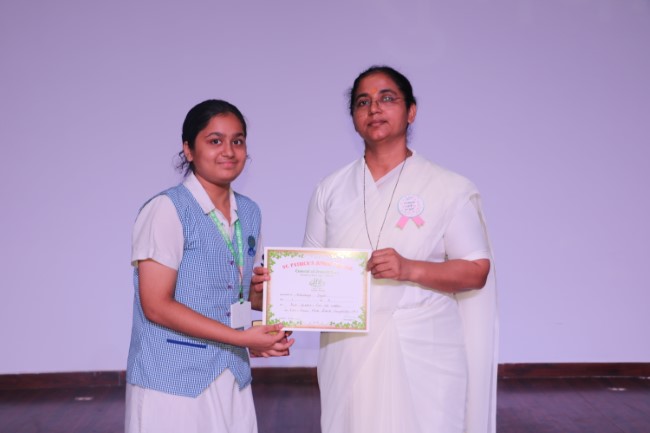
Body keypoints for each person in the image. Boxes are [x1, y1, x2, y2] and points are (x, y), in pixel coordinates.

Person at [302, 66, 499, 433]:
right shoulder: (330, 189)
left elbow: (476, 270)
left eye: (387, 98)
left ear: (411, 111)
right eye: (363, 102)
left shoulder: (447, 187)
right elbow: (311, 271)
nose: (374, 108)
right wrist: (274, 293)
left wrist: (410, 268)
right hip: (348, 350)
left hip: (424, 349)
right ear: (354, 119)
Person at [125, 99, 294, 433]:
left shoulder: (250, 212)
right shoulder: (166, 209)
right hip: (172, 382)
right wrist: (242, 338)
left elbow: (237, 294)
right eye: (215, 140)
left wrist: (274, 303)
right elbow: (155, 305)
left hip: (232, 375)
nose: (229, 151)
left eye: (237, 141)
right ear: (188, 150)